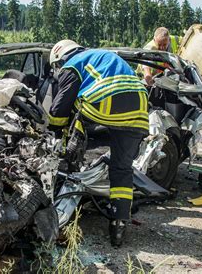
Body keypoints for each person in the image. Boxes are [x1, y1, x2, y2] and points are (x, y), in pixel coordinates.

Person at [48, 40, 149, 247]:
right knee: (122, 168)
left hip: (106, 100)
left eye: (56, 67)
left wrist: (54, 134)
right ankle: (118, 223)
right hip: (140, 107)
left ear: (60, 58)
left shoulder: (72, 64)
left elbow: (60, 108)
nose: (58, 71)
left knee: (77, 106)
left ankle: (70, 166)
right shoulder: (101, 57)